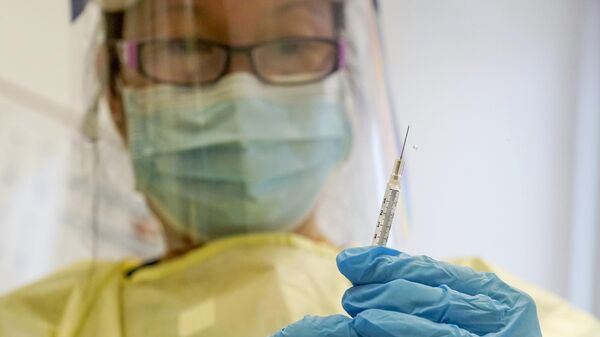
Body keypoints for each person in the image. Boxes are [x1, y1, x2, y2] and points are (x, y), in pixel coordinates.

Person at [1, 0, 599, 336]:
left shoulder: (480, 314)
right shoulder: (34, 324)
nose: (243, 90)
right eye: (184, 45)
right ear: (118, 101)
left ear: (343, 94)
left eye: (292, 45)